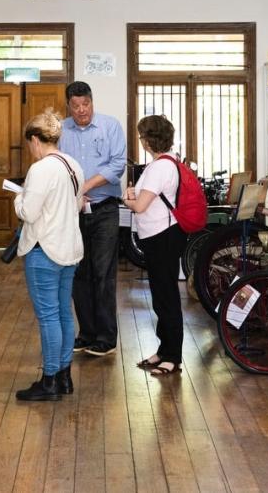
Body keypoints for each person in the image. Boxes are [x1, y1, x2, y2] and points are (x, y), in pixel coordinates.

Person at [13, 110, 85, 401]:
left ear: (35, 139)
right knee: (64, 313)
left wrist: (19, 197)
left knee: (47, 317)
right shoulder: (73, 165)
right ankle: (65, 376)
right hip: (69, 248)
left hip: (44, 250)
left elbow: (28, 212)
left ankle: (50, 380)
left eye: (30, 144)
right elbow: (78, 205)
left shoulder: (41, 169)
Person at [59, 81, 126, 357]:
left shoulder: (110, 126)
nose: (81, 110)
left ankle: (106, 337)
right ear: (69, 106)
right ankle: (86, 333)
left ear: (92, 101)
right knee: (78, 273)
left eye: (85, 104)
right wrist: (72, 193)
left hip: (105, 209)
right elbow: (58, 164)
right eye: (75, 106)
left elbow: (117, 164)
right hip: (74, 212)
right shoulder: (62, 130)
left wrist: (84, 187)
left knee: (103, 273)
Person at [123, 115, 187, 376]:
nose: (141, 141)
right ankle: (164, 349)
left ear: (149, 139)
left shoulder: (160, 167)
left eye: (142, 136)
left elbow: (139, 205)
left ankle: (173, 356)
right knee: (161, 297)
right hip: (160, 235)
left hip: (163, 237)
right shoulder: (164, 163)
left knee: (166, 297)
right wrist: (133, 196)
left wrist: (128, 198)